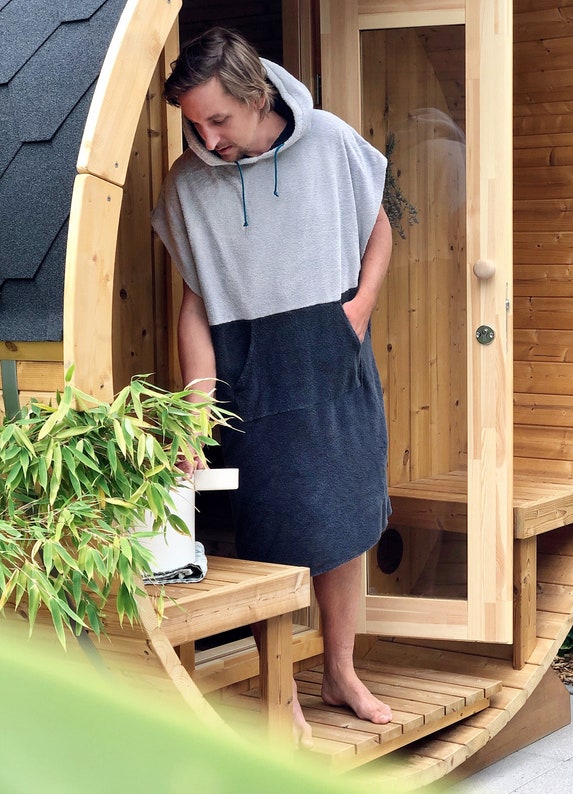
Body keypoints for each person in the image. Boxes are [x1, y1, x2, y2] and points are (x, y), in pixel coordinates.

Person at [151, 27, 393, 747]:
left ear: (257, 96)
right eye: (195, 124)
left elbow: (379, 230)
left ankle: (340, 673)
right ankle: (280, 694)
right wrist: (197, 408)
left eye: (218, 119)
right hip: (251, 370)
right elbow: (195, 304)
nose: (208, 138)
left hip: (333, 354)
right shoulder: (187, 184)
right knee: (273, 540)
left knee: (345, 526)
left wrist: (356, 313)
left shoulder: (331, 142)